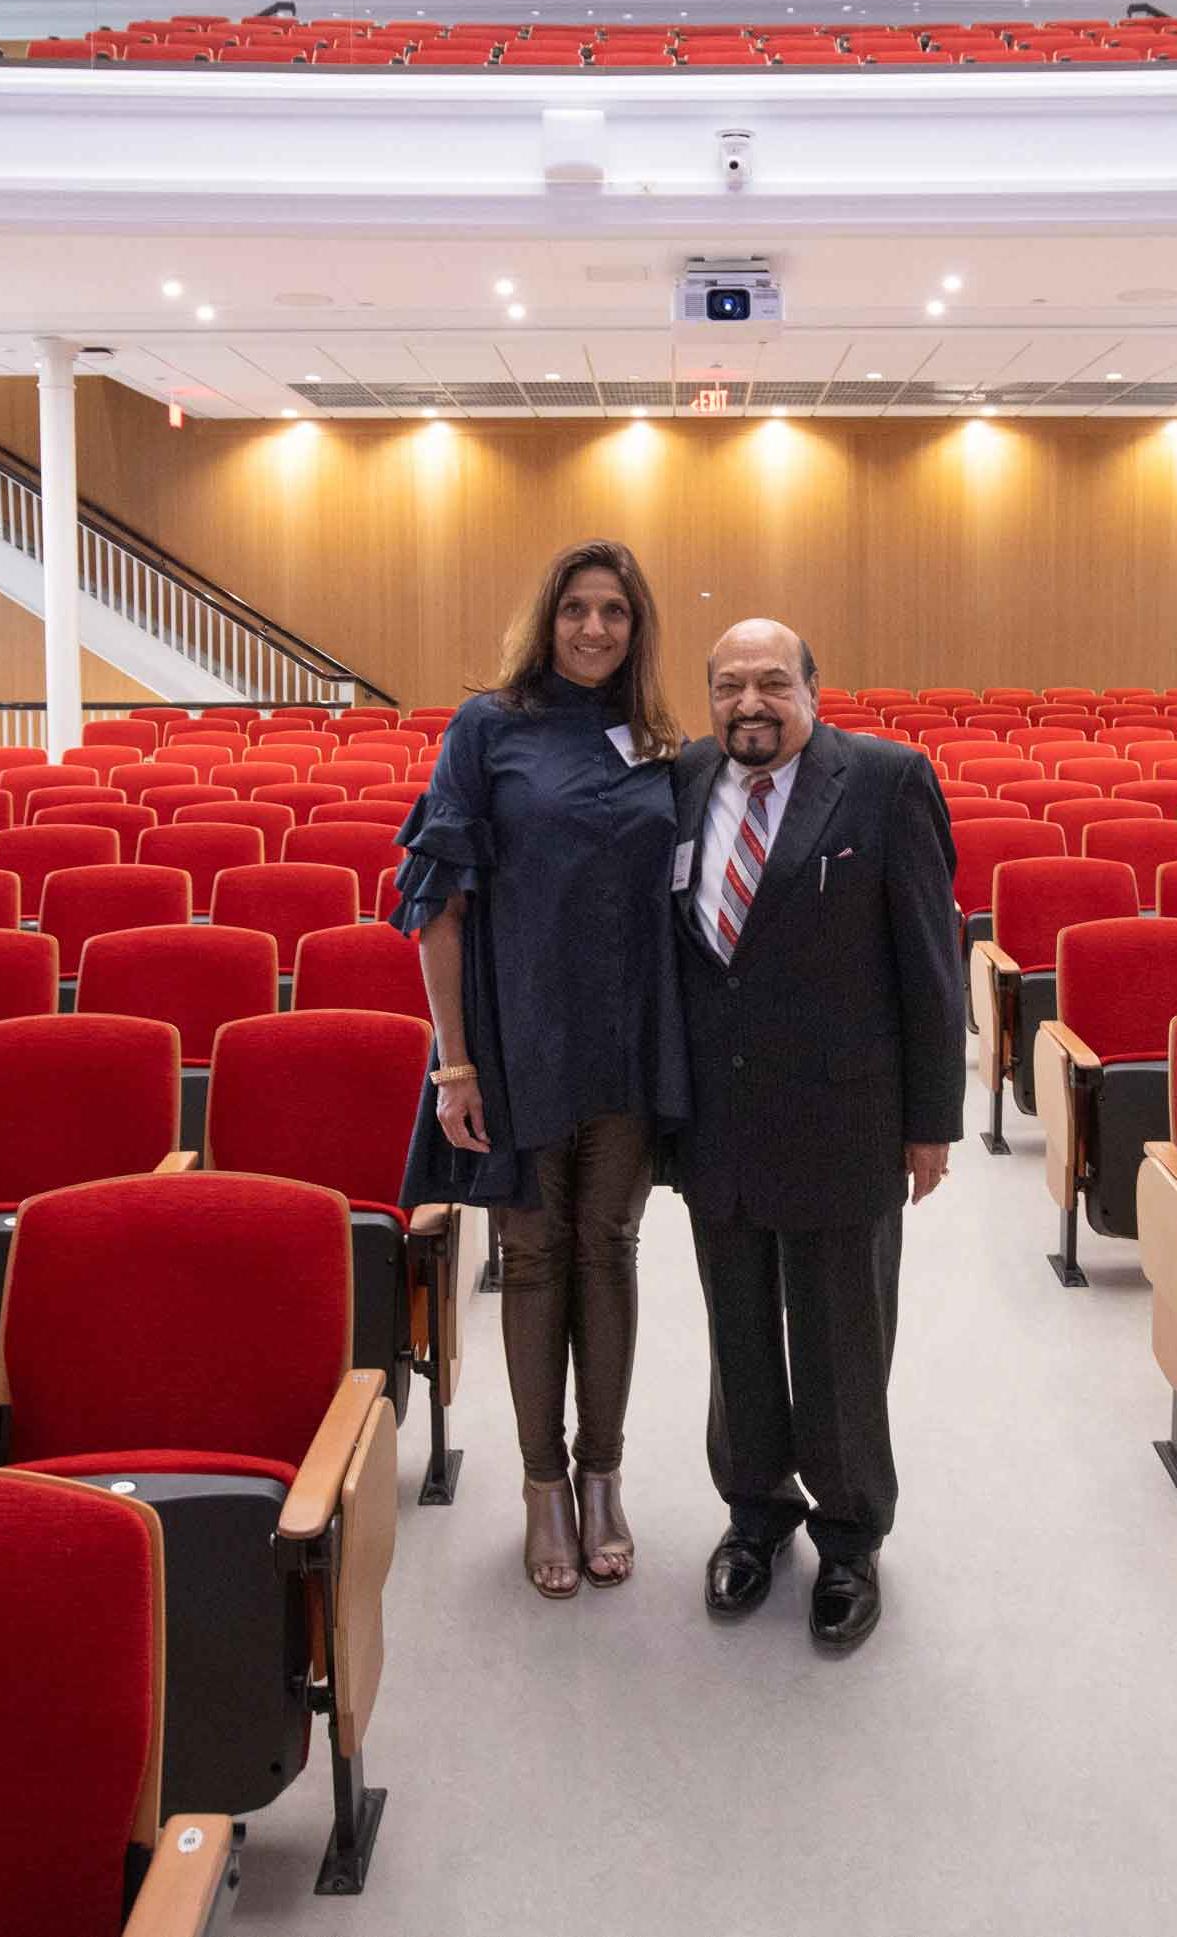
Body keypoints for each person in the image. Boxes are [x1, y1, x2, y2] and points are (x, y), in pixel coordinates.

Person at [394, 539, 687, 1600]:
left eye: (614, 610)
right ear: (547, 616)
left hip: (627, 1038)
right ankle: (539, 1484)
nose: (596, 628)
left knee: (608, 1245)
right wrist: (453, 1065)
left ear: (637, 625)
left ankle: (602, 1476)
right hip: (516, 1037)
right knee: (530, 1260)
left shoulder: (659, 742)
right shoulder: (489, 726)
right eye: (577, 609)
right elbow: (438, 905)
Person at [671, 619, 963, 1650]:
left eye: (770, 683)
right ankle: (754, 1515)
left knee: (841, 1337)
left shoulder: (885, 781)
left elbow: (931, 958)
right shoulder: (685, 778)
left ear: (811, 687)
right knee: (737, 1331)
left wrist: (932, 1121)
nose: (750, 703)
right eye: (728, 687)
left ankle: (847, 1537)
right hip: (720, 1117)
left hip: (846, 1114)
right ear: (707, 698)